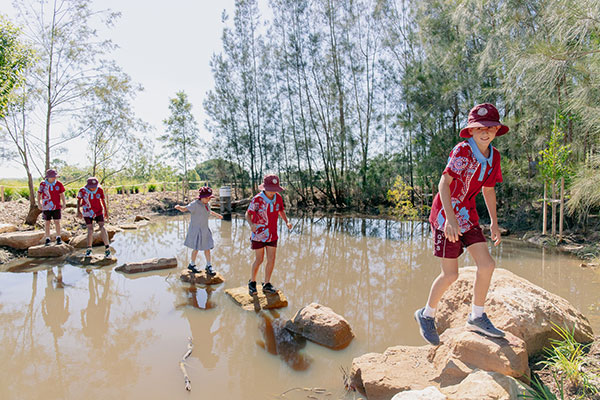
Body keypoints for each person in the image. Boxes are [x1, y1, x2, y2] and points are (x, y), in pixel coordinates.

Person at [415, 103, 509, 346]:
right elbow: (443, 185)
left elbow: (488, 190)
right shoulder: (462, 151)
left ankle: (477, 316)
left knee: (487, 265)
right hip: (446, 215)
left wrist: (494, 223)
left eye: (489, 127)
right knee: (451, 275)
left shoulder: (494, 157)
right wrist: (450, 219)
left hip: (468, 215)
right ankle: (426, 315)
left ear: (497, 129)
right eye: (478, 128)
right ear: (471, 130)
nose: (484, 132)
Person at [246, 174, 292, 296]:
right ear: (264, 188)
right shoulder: (257, 199)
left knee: (271, 259)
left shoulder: (278, 198)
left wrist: (286, 221)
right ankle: (252, 282)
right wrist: (251, 224)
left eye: (274, 189)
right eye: (270, 189)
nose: (272, 192)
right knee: (259, 259)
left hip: (272, 234)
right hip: (259, 235)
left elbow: (281, 210)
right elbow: (248, 214)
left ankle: (266, 283)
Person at [175, 186, 223, 276]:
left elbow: (209, 211)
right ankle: (192, 264)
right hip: (196, 230)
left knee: (207, 248)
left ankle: (209, 265)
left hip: (205, 230)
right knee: (196, 248)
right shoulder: (195, 204)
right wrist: (179, 207)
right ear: (201, 197)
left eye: (209, 197)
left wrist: (217, 215)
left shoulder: (207, 204)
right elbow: (185, 208)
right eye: (207, 197)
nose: (209, 199)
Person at [76, 177, 110, 258]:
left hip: (98, 211)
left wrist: (106, 211)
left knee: (102, 227)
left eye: (95, 186)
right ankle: (89, 249)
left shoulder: (99, 190)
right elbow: (78, 200)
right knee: (90, 229)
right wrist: (78, 211)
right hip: (87, 211)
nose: (93, 188)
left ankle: (107, 248)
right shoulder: (82, 190)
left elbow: (103, 200)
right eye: (92, 186)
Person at [37, 169, 66, 246]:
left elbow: (62, 194)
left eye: (55, 176)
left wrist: (64, 203)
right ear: (48, 177)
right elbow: (39, 194)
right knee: (47, 222)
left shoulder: (59, 184)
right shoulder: (43, 184)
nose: (54, 178)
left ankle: (58, 237)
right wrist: (39, 203)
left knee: (57, 221)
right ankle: (47, 238)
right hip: (46, 207)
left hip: (56, 206)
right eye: (52, 176)